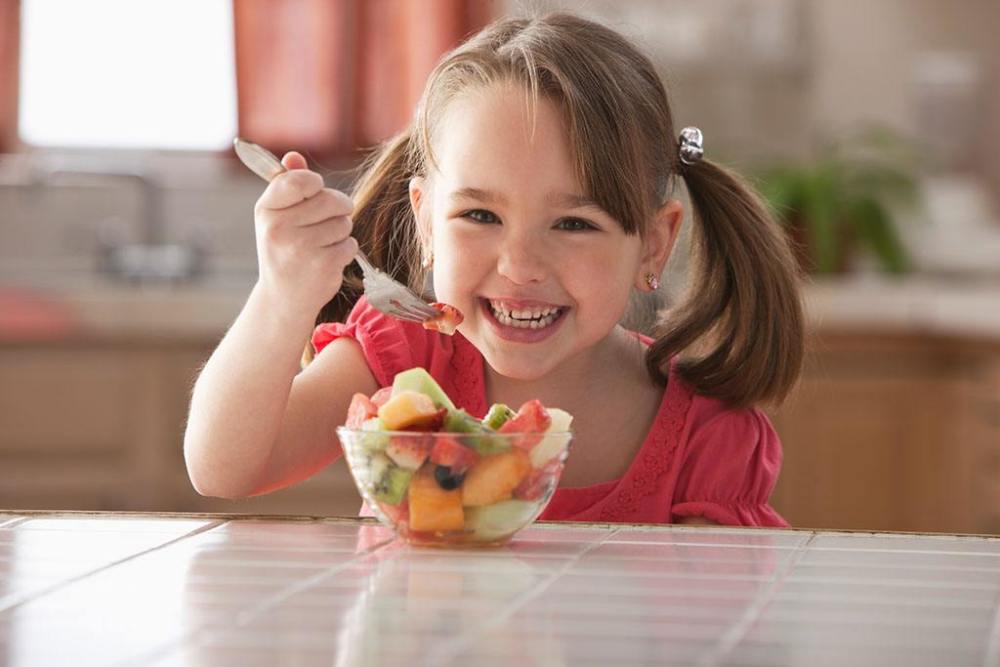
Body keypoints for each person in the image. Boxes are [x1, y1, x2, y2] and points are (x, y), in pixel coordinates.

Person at [184, 12, 804, 527]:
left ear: (653, 245)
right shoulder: (404, 357)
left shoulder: (710, 436)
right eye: (480, 215)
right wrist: (281, 298)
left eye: (574, 224)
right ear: (427, 223)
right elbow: (225, 469)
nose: (521, 265)